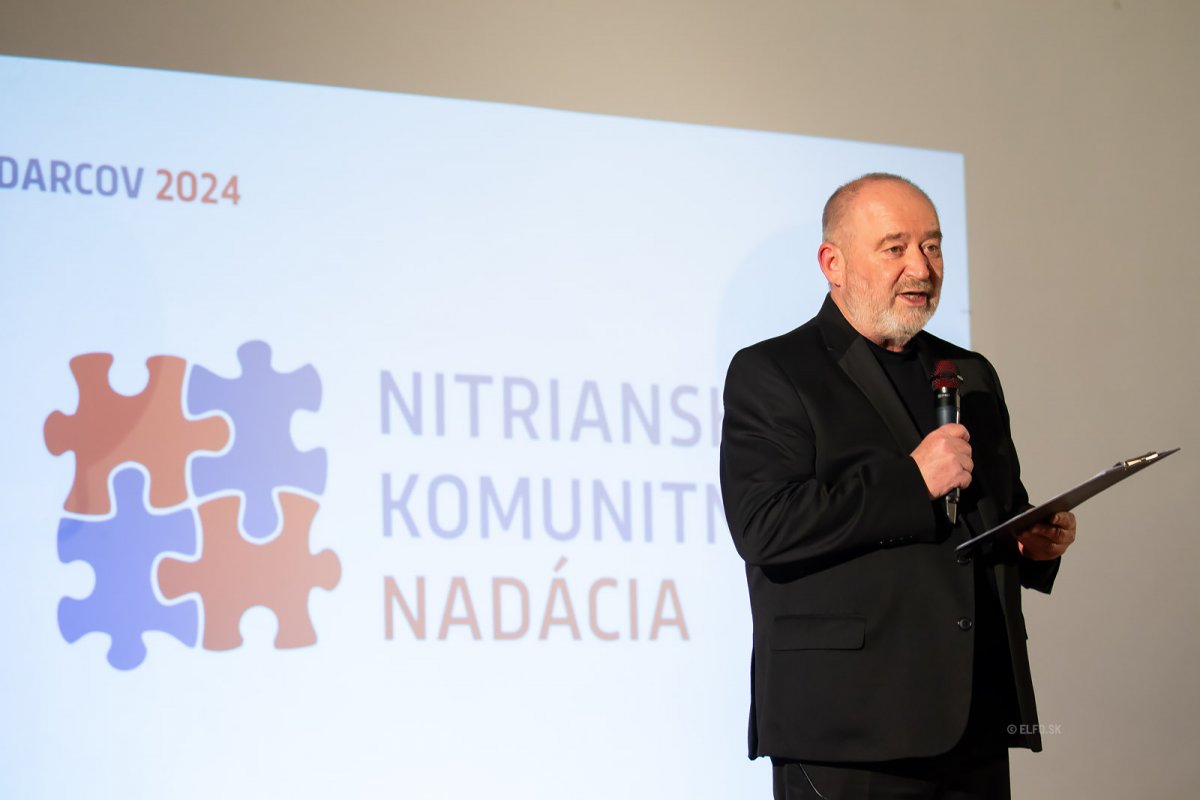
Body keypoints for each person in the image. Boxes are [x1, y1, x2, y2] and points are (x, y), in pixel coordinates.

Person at [719, 173, 1076, 799]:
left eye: (932, 246)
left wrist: (1031, 544)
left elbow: (990, 515)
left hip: (972, 718)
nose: (921, 267)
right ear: (833, 263)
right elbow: (764, 525)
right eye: (896, 248)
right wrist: (912, 481)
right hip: (848, 729)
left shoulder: (970, 373)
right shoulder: (774, 370)